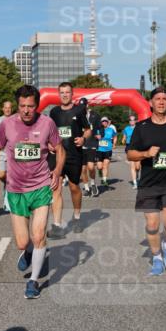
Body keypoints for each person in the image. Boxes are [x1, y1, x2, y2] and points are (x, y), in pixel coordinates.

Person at [0, 85, 63, 299]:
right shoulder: (7, 125)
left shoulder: (47, 123)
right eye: (22, 106)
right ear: (17, 106)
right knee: (23, 242)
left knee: (39, 234)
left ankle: (33, 282)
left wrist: (57, 171)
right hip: (15, 188)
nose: (26, 111)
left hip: (40, 186)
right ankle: (29, 251)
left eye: (30, 106)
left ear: (37, 105)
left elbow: (59, 149)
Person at [126, 86, 166, 276]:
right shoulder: (142, 127)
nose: (161, 102)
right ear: (151, 103)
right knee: (153, 225)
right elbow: (130, 154)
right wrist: (145, 153)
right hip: (149, 183)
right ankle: (156, 257)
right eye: (158, 99)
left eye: (164, 99)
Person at [47, 82, 91, 238]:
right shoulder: (53, 112)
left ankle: (77, 217)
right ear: (58, 94)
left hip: (74, 155)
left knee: (74, 187)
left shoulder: (79, 110)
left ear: (72, 94)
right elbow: (49, 132)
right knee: (56, 187)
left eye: (67, 92)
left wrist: (83, 139)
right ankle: (57, 225)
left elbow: (88, 130)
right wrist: (48, 143)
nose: (65, 95)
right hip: (57, 155)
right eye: (62, 92)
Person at [0, 100, 14, 211]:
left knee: (12, 177)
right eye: (5, 107)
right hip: (2, 152)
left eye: (9, 107)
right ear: (2, 109)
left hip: (13, 153)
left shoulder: (16, 119)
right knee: (1, 175)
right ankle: (7, 185)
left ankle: (8, 199)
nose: (7, 109)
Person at [80, 100, 103, 197]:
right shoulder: (77, 116)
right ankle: (86, 187)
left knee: (90, 167)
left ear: (87, 105)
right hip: (80, 145)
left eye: (83, 105)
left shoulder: (95, 115)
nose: (82, 108)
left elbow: (101, 127)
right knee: (83, 169)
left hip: (92, 143)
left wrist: (100, 134)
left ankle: (93, 184)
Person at [96, 117, 118, 188]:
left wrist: (114, 144)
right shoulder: (98, 130)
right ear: (101, 122)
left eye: (105, 121)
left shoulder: (111, 130)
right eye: (103, 121)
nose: (104, 122)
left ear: (108, 122)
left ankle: (105, 180)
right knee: (99, 167)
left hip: (108, 150)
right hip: (99, 150)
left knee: (105, 165)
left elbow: (115, 137)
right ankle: (99, 171)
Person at [122, 114, 140, 188]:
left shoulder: (139, 128)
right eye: (130, 120)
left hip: (138, 147)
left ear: (136, 121)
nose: (132, 121)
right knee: (132, 166)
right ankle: (135, 183)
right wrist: (123, 140)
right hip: (129, 147)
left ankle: (137, 175)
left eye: (133, 120)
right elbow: (124, 137)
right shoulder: (126, 129)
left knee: (137, 167)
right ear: (129, 121)